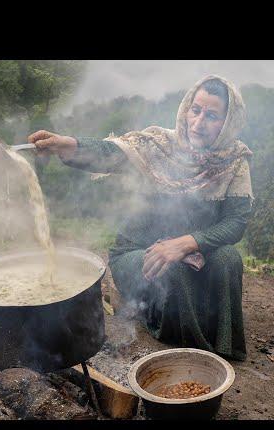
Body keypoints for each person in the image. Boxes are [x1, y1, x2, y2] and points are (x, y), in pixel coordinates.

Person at [28, 75, 253, 360]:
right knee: (172, 269)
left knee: (229, 258)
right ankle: (183, 345)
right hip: (137, 252)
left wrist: (186, 243)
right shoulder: (158, 145)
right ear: (186, 109)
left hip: (194, 251)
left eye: (211, 116)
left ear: (228, 122)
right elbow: (110, 152)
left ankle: (223, 345)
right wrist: (67, 144)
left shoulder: (234, 161)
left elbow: (235, 224)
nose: (198, 123)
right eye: (195, 110)